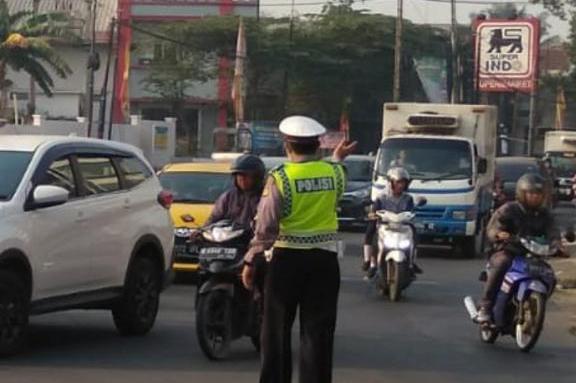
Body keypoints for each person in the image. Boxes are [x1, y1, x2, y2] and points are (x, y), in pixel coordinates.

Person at [241, 116, 356, 383]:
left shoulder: (280, 177)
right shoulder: (335, 173)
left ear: (286, 146)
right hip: (325, 261)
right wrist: (337, 158)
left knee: (276, 331)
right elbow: (334, 176)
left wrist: (251, 260)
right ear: (317, 146)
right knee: (318, 333)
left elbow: (266, 227)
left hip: (287, 261)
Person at [477, 173, 560, 324]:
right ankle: (485, 307)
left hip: (534, 255)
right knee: (501, 264)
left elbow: (553, 232)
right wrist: (498, 233)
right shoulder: (509, 209)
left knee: (550, 276)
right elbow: (493, 228)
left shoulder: (545, 214)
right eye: (531, 193)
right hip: (508, 251)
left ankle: (533, 305)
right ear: (522, 193)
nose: (535, 197)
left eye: (538, 194)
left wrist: (557, 244)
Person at [362, 167, 419, 278]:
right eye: (398, 182)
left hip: (401, 226)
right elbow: (374, 211)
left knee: (414, 233)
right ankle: (370, 262)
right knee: (371, 231)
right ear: (391, 182)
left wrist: (412, 217)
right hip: (385, 225)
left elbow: (411, 212)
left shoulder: (408, 198)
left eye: (403, 182)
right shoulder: (381, 197)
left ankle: (412, 262)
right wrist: (373, 215)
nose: (400, 185)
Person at [204, 154, 266, 227]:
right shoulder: (228, 197)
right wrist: (202, 231)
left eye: (246, 175)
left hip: (255, 237)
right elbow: (214, 218)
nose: (242, 179)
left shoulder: (266, 198)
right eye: (239, 175)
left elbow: (268, 222)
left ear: (257, 177)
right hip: (228, 236)